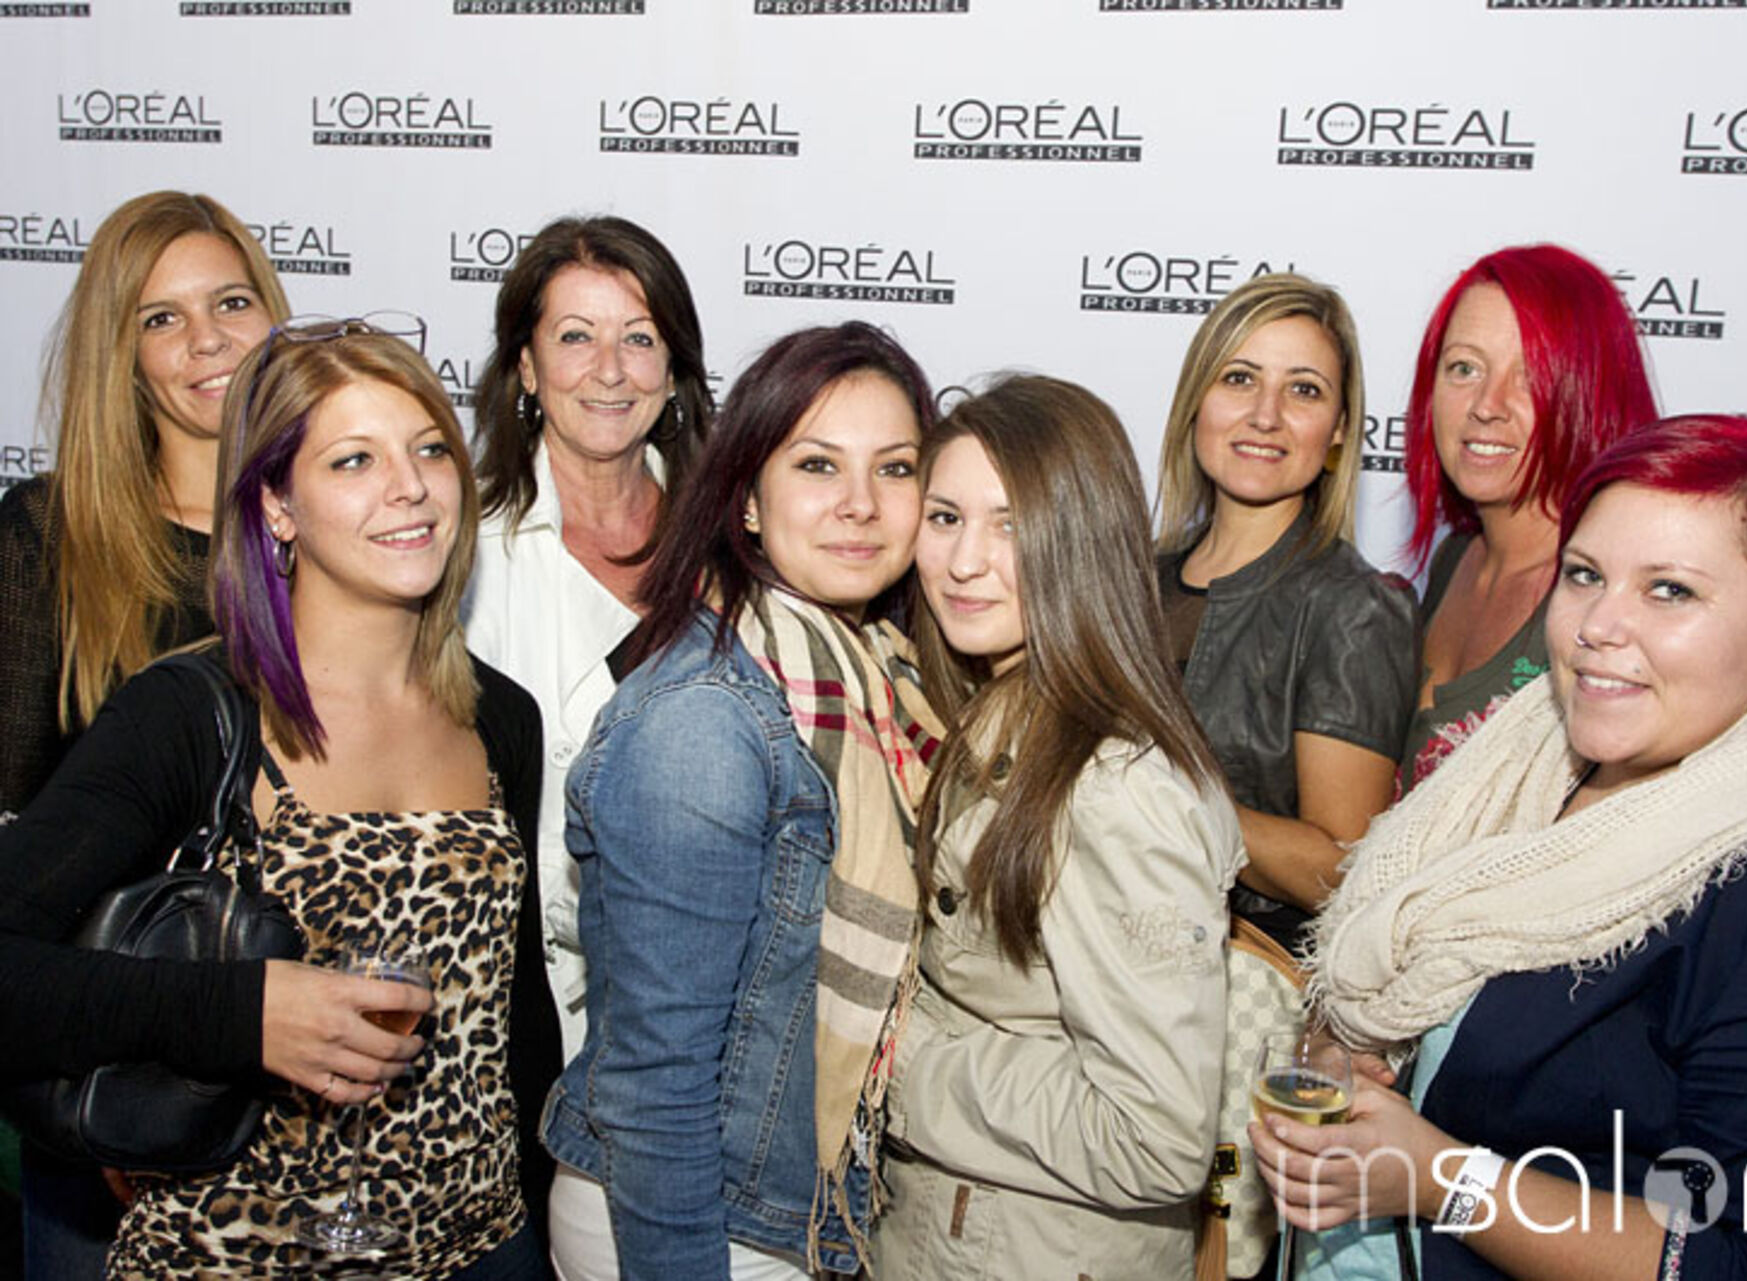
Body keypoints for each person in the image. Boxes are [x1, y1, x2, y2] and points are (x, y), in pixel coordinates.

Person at [1255, 416, 1747, 1279]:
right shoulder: (1511, 772)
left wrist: (1442, 1179)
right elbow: (1393, 996)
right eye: (1584, 574)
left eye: (1670, 590)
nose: (1598, 625)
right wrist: (1345, 1052)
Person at [0, 320, 562, 1278]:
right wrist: (244, 1012)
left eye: (431, 448)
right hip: (241, 1254)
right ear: (276, 504)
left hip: (480, 1246)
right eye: (354, 459)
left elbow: (519, 1016)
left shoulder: (500, 716)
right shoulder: (192, 714)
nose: (410, 485)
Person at [542, 321, 941, 1280]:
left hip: (798, 1208)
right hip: (693, 1220)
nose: (859, 504)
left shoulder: (888, 680)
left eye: (894, 469)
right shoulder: (705, 719)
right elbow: (656, 1084)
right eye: (816, 464)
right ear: (749, 500)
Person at [872, 375, 1243, 1281]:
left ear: (1081, 542)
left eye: (1011, 525)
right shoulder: (998, 712)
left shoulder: (1115, 788)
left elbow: (1154, 1136)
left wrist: (895, 1062)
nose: (964, 561)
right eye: (946, 517)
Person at [0, 188, 290, 1277]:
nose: (207, 339)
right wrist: (124, 1096)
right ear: (121, 357)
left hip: (312, 1085)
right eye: (161, 318)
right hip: (112, 1098)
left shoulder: (346, 529)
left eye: (231, 302)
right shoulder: (50, 541)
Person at [463, 215, 715, 1059]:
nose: (610, 369)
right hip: (515, 1013)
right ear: (527, 367)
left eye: (639, 338)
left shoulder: (734, 549)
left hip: (699, 1005)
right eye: (576, 336)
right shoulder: (461, 550)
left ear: (674, 370)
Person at [1154, 273, 1418, 951]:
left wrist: (1161, 798)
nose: (1265, 415)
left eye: (1304, 390)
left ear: (1339, 430)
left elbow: (1339, 872)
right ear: (1196, 400)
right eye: (1239, 379)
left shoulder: (1355, 608)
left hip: (1235, 978)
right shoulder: (1132, 580)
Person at [1398, 244, 1656, 792]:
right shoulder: (1455, 557)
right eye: (1464, 368)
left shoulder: (1610, 599)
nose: (1486, 405)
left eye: (1531, 374)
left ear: (1591, 390)